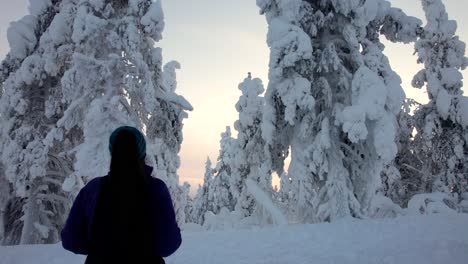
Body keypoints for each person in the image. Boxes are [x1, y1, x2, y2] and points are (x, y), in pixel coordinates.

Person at [61, 126, 182, 264]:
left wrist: (101, 249)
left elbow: (71, 240)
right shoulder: (157, 189)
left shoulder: (93, 189)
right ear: (142, 154)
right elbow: (168, 245)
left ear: (112, 152)